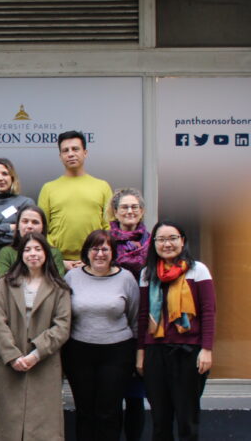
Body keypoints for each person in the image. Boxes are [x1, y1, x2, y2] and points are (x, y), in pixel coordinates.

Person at [0, 232, 72, 441]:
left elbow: (62, 326)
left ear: (46, 253)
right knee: (6, 428)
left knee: (42, 430)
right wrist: (13, 355)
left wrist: (36, 353)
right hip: (9, 364)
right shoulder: (5, 283)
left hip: (43, 363)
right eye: (27, 249)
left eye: (37, 249)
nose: (32, 254)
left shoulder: (59, 287)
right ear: (20, 254)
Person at [137, 221, 216, 441]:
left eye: (172, 238)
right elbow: (143, 316)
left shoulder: (197, 270)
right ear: (154, 244)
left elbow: (208, 312)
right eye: (161, 239)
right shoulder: (147, 273)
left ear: (182, 240)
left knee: (187, 420)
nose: (167, 244)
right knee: (160, 420)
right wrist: (140, 353)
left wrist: (207, 349)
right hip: (155, 352)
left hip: (188, 352)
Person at [63, 230, 139, 441]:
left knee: (109, 411)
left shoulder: (126, 278)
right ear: (86, 252)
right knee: (85, 410)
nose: (100, 254)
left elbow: (134, 318)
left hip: (117, 352)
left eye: (105, 249)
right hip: (79, 352)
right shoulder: (72, 277)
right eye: (95, 249)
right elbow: (63, 315)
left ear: (113, 252)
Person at [107, 188, 150, 441]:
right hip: (113, 324)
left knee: (135, 397)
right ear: (115, 212)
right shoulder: (106, 242)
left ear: (142, 211)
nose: (129, 211)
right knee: (112, 395)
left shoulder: (153, 241)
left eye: (134, 207)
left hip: (144, 324)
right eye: (124, 207)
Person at [38, 130, 112, 267]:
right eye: (65, 150)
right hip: (57, 263)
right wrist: (59, 261)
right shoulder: (48, 188)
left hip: (95, 262)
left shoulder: (102, 186)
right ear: (60, 156)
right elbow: (42, 229)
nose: (70, 154)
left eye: (75, 149)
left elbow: (109, 227)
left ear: (85, 153)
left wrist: (93, 258)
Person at [0, 205, 67, 277]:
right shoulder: (7, 253)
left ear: (43, 227)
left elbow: (58, 283)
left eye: (35, 222)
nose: (29, 226)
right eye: (25, 221)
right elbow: (3, 283)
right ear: (18, 226)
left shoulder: (54, 253)